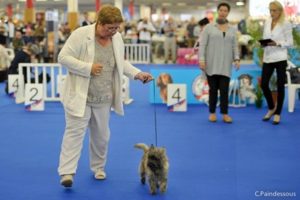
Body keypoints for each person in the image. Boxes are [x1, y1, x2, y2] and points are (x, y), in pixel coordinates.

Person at [57, 5, 153, 188]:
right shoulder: (80, 34)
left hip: (103, 97)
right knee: (74, 135)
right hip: (80, 96)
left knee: (102, 137)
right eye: (110, 28)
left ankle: (98, 167)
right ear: (99, 23)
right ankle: (67, 172)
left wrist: (137, 74)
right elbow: (63, 57)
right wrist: (87, 67)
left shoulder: (116, 38)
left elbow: (120, 62)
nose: (114, 32)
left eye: (117, 28)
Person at [199, 2, 240, 123]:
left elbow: (235, 46)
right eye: (221, 10)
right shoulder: (209, 27)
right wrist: (201, 59)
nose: (223, 13)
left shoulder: (232, 29)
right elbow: (202, 45)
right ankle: (212, 112)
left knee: (224, 90)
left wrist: (236, 59)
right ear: (218, 11)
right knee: (213, 90)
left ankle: (225, 113)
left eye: (225, 11)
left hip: (226, 65)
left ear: (228, 13)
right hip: (211, 64)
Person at [260, 1, 293, 125]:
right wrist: (262, 44)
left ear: (280, 11)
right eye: (270, 10)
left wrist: (277, 43)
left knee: (280, 86)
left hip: (280, 58)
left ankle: (278, 113)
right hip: (268, 57)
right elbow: (265, 37)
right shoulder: (267, 22)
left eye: (274, 10)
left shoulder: (286, 24)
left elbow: (290, 42)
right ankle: (271, 107)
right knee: (263, 84)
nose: (272, 13)